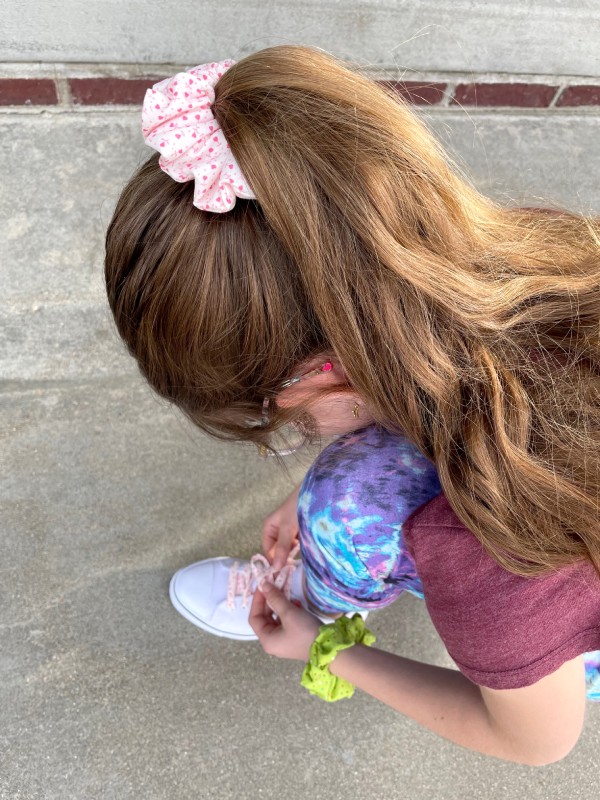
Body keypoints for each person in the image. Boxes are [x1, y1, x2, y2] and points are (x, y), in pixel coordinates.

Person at [104, 45, 600, 765]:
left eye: (282, 420)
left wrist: (327, 650)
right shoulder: (537, 258)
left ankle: (320, 593)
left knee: (348, 500)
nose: (291, 433)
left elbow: (536, 739)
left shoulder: (499, 539)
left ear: (330, 368)